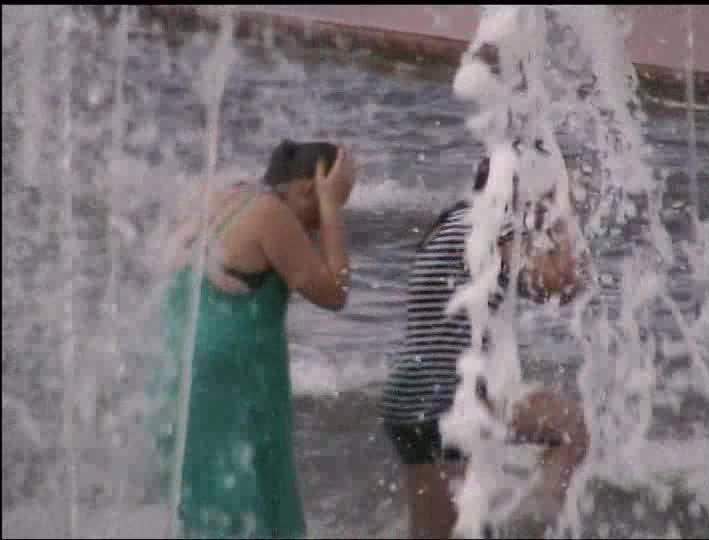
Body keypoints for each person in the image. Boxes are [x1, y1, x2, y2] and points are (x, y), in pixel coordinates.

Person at [150, 139, 356, 539]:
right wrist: (331, 211)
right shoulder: (270, 214)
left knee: (210, 514)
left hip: (178, 382)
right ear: (309, 189)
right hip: (233, 388)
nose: (320, 226)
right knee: (256, 513)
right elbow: (335, 292)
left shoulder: (225, 199)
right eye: (330, 204)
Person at [379, 150, 588, 539]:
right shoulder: (492, 226)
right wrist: (562, 221)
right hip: (441, 398)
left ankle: (527, 524)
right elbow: (555, 283)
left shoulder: (466, 224)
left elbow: (558, 288)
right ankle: (531, 525)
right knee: (570, 428)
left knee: (436, 531)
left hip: (420, 393)